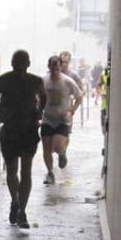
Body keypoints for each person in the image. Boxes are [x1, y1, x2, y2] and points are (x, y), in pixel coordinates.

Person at [0, 49, 47, 228]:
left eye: (22, 60)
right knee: (15, 170)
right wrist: (4, 111)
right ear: (13, 63)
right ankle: (17, 203)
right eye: (18, 60)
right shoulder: (7, 80)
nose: (20, 64)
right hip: (14, 130)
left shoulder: (34, 81)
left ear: (27, 63)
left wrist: (37, 112)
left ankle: (21, 208)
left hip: (24, 130)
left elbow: (43, 99)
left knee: (22, 170)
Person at [40, 55, 84, 184]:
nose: (54, 71)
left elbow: (80, 96)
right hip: (47, 118)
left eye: (57, 68)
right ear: (49, 67)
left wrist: (72, 111)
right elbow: (37, 97)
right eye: (52, 68)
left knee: (58, 146)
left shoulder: (67, 81)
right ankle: (50, 173)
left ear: (60, 67)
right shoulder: (43, 81)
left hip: (62, 119)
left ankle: (62, 154)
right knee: (46, 149)